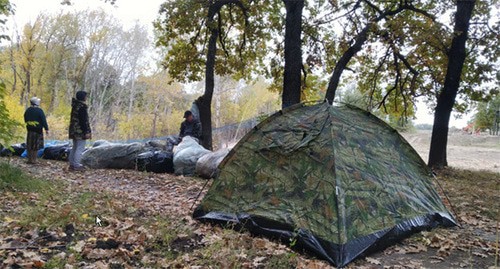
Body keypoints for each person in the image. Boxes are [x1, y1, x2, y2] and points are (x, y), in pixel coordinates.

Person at [68, 91, 91, 171]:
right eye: (85, 96)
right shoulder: (82, 107)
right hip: (79, 131)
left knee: (74, 147)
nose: (86, 98)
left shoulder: (75, 106)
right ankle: (77, 165)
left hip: (74, 130)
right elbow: (83, 121)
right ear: (83, 97)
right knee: (80, 148)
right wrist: (86, 131)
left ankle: (72, 164)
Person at [24, 97, 49, 164]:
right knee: (35, 146)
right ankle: (34, 160)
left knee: (29, 145)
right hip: (38, 131)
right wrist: (46, 129)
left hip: (29, 130)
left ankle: (29, 159)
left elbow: (25, 119)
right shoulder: (39, 111)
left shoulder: (28, 110)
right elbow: (43, 120)